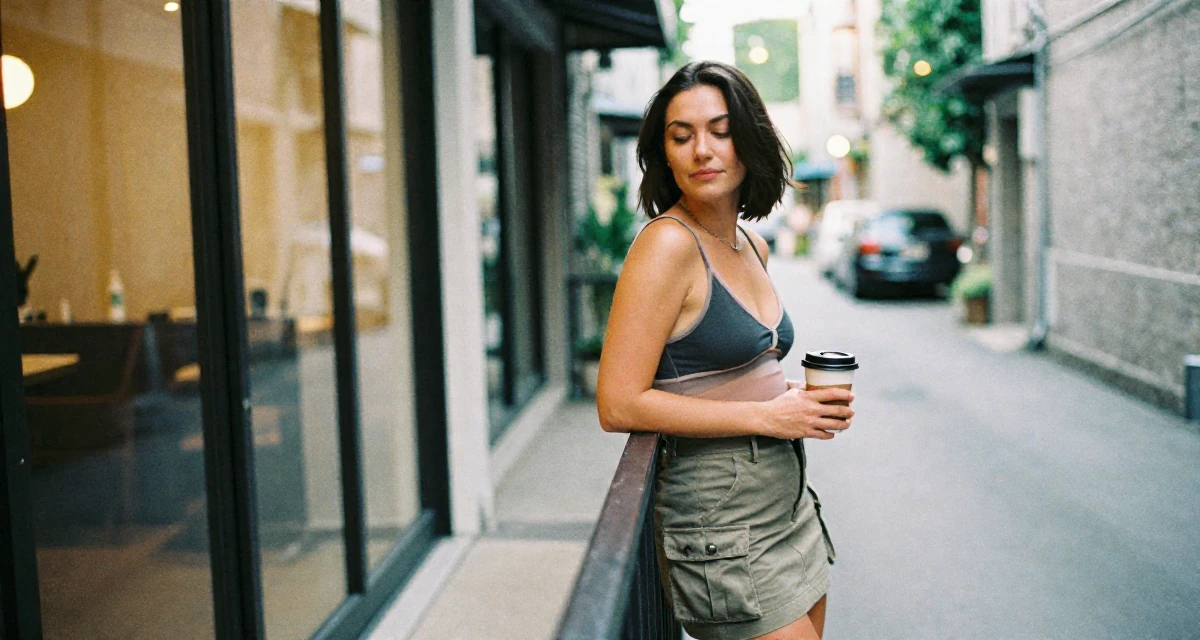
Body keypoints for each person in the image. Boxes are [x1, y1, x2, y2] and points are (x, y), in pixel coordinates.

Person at [595, 61, 855, 640]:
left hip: (785, 502)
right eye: (681, 136)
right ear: (663, 153)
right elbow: (617, 404)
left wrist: (792, 400)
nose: (701, 151)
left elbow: (729, 369)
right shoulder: (665, 247)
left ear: (749, 139)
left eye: (720, 130)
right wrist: (767, 415)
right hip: (722, 515)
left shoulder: (749, 243)